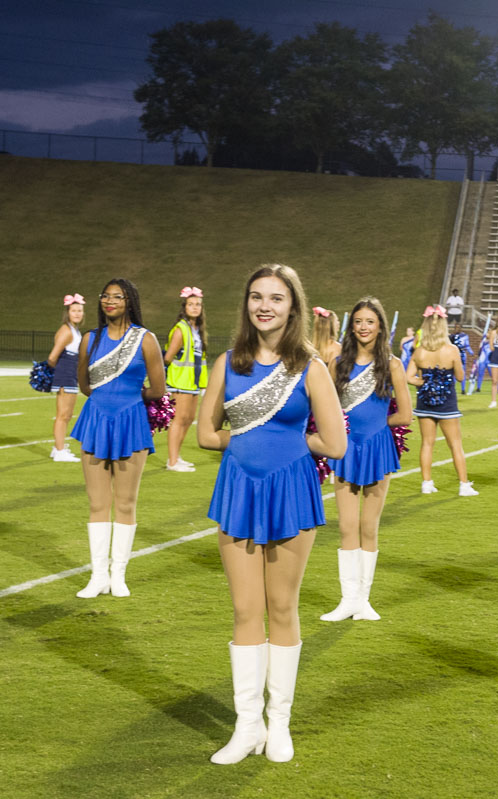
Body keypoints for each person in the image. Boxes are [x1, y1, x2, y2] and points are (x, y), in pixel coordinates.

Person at [197, 264, 346, 765]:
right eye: (257, 297)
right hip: (239, 489)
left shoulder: (310, 367)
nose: (265, 306)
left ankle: (279, 724)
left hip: (290, 492)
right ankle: (247, 727)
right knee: (244, 610)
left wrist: (287, 441)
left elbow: (336, 442)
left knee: (282, 607)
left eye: (277, 298)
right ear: (246, 305)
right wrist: (246, 440)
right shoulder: (227, 363)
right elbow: (204, 433)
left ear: (293, 308)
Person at [69, 279, 165, 600]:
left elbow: (159, 389)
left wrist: (129, 398)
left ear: (130, 301)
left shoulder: (146, 340)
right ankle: (97, 576)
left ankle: (118, 575)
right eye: (105, 297)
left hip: (131, 422)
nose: (109, 302)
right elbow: (84, 385)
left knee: (125, 502)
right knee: (98, 502)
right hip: (95, 421)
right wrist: (105, 400)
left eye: (117, 297)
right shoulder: (89, 340)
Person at [322, 297, 411, 623]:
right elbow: (324, 411)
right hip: (345, 450)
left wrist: (375, 427)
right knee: (346, 526)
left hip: (376, 449)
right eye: (358, 321)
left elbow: (405, 415)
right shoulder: (337, 364)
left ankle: (364, 600)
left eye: (369, 321)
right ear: (351, 326)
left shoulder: (393, 365)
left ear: (380, 326)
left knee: (368, 527)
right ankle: (347, 600)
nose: (363, 327)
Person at [409, 305, 476, 496]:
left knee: (427, 443)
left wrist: (425, 383)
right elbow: (461, 377)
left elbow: (408, 377)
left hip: (425, 403)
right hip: (447, 404)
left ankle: (426, 483)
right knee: (455, 444)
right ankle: (464, 485)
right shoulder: (452, 350)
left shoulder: (419, 351)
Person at [163, 286, 208, 472]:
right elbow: (167, 357)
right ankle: (172, 461)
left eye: (198, 304)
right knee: (179, 420)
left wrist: (203, 384)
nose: (195, 307)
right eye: (191, 304)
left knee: (189, 419)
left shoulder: (197, 329)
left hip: (193, 383)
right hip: (180, 382)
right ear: (184, 307)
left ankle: (177, 457)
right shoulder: (181, 329)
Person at [45, 294, 86, 463]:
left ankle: (57, 448)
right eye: (74, 310)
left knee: (67, 415)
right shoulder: (66, 331)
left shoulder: (74, 330)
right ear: (67, 312)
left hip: (70, 376)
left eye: (80, 311)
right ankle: (60, 450)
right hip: (65, 376)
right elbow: (52, 357)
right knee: (63, 415)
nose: (77, 313)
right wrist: (60, 372)